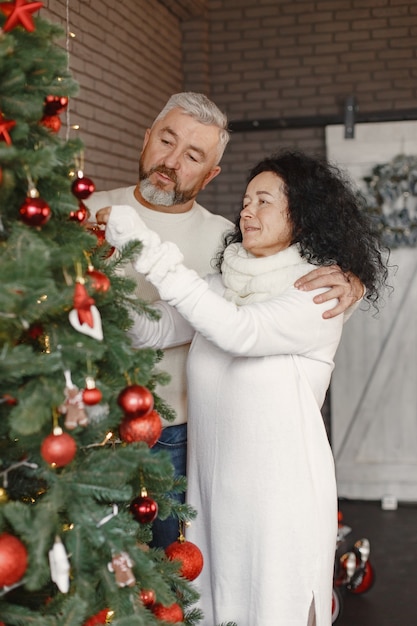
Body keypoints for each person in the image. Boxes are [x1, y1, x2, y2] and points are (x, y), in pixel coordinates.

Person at [98, 149, 388, 626]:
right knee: (215, 608)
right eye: (246, 200)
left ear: (303, 214)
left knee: (276, 609)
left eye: (265, 201)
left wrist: (147, 245)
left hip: (280, 497)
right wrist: (97, 281)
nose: (247, 211)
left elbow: (239, 332)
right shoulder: (221, 285)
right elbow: (150, 331)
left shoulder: (317, 292)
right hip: (213, 492)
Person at [86, 93, 364, 549]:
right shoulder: (87, 212)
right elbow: (155, 325)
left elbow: (256, 316)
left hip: (176, 433)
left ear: (210, 174)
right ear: (146, 139)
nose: (172, 161)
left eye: (193, 155)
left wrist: (354, 284)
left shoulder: (226, 242)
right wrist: (91, 292)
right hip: (84, 420)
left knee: (171, 574)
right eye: (166, 140)